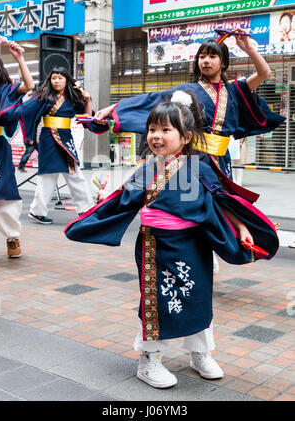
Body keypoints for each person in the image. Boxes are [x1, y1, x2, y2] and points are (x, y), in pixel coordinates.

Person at [65, 90, 279, 389]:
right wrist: (100, 204)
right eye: (152, 129)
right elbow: (123, 199)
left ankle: (200, 352)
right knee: (156, 301)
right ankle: (149, 360)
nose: (156, 135)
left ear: (186, 137)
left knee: (198, 298)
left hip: (193, 246)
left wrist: (242, 227)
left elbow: (221, 201)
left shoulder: (201, 169)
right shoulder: (146, 169)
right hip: (155, 247)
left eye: (166, 130)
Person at [90, 28, 285, 187]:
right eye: (202, 57)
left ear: (223, 62)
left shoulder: (235, 89)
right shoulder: (188, 90)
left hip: (222, 160)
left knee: (224, 206)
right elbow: (153, 100)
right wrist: (113, 108)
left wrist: (248, 48)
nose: (206, 61)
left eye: (212, 56)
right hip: (195, 158)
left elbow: (264, 73)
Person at [19, 67, 94, 224]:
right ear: (50, 80)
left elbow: (86, 117)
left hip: (65, 140)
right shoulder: (44, 96)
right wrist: (30, 137)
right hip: (49, 140)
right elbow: (25, 111)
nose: (57, 81)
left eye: (60, 78)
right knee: (47, 175)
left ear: (66, 79)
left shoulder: (74, 97)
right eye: (54, 78)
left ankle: (86, 209)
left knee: (74, 174)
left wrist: (88, 100)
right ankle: (38, 211)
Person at [0, 41, 34, 258]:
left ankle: (12, 237)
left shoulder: (4, 90)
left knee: (4, 192)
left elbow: (29, 87)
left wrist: (19, 57)